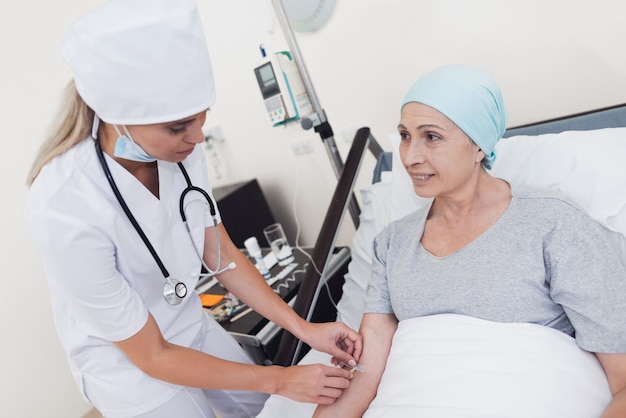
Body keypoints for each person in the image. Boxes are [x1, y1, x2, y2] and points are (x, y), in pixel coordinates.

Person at [24, 1, 361, 417]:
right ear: (116, 118)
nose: (197, 138)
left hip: (188, 325)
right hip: (128, 364)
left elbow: (222, 256)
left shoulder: (181, 153)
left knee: (263, 406)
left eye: (201, 119)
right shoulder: (64, 206)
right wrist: (282, 377)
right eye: (178, 127)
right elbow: (153, 356)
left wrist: (303, 328)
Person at [313, 65, 626, 417]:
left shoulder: (554, 223)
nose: (410, 156)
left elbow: (623, 381)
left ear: (479, 145)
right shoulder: (393, 243)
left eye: (431, 137)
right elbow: (363, 378)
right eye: (404, 135)